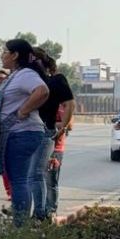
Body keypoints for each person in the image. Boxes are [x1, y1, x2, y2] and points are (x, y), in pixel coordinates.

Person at [0, 39, 50, 223]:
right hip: (17, 133)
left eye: (4, 51)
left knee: (19, 180)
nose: (2, 55)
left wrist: (23, 110)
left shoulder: (25, 74)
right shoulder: (15, 75)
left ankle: (20, 228)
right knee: (19, 180)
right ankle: (21, 224)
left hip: (21, 133)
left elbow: (42, 91)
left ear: (15, 55)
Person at [35, 51, 74, 218]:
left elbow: (70, 105)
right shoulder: (31, 81)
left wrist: (62, 128)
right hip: (32, 135)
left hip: (49, 138)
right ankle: (37, 212)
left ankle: (47, 212)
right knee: (34, 177)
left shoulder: (56, 80)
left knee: (48, 178)